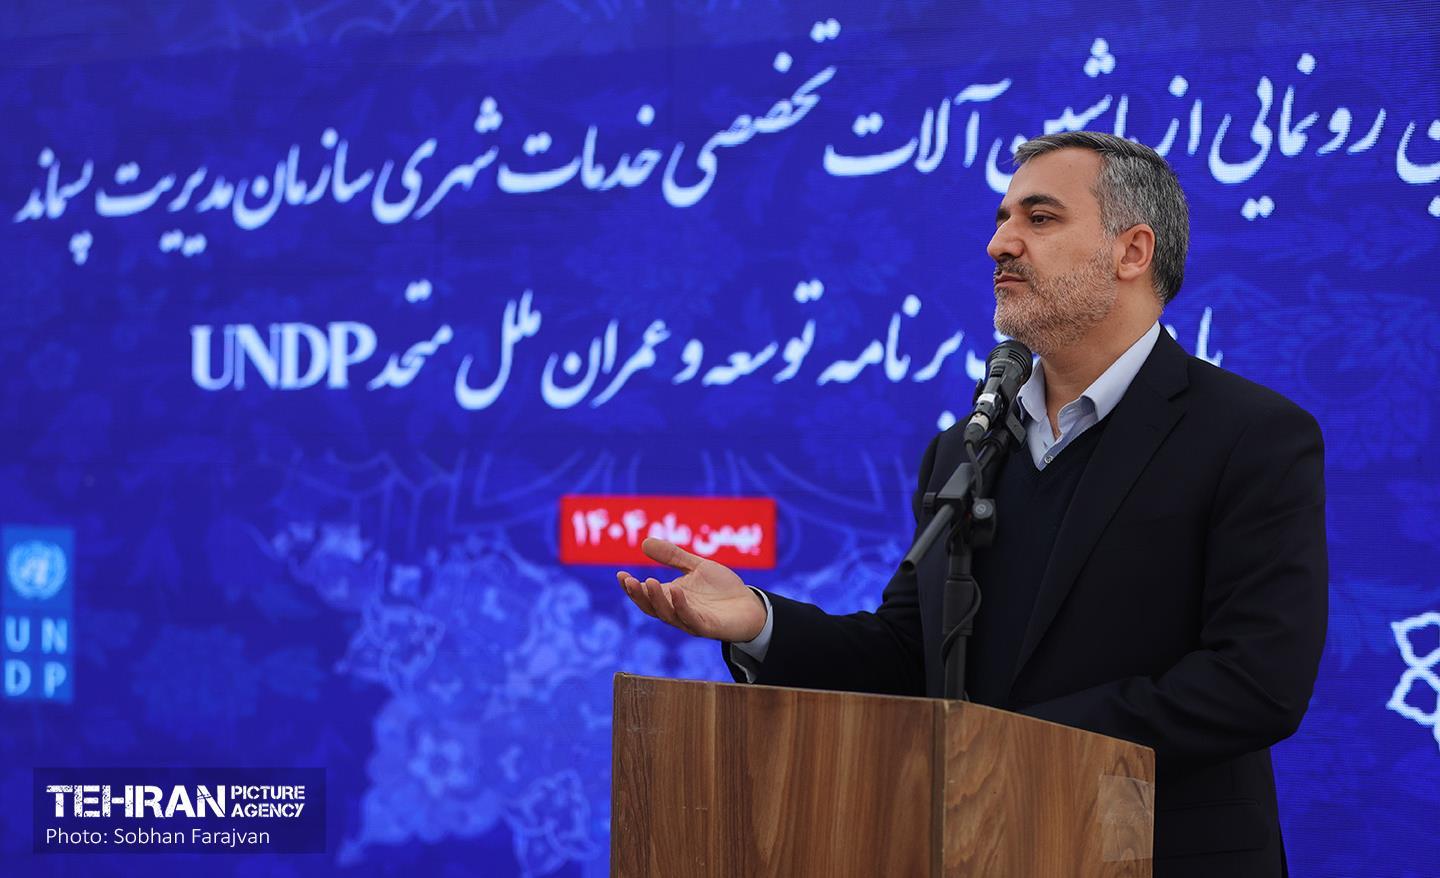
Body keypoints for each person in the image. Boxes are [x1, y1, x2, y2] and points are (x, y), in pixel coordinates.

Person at [616, 130, 1327, 877]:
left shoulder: (1250, 437)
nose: (1000, 244)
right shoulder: (966, 450)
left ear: (1132, 252)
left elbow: (1256, 684)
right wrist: (760, 622)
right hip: (976, 852)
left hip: (1160, 854)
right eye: (1002, 219)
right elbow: (908, 656)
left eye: (1039, 218)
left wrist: (1010, 746)